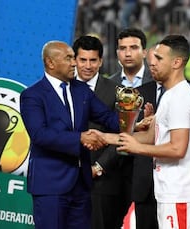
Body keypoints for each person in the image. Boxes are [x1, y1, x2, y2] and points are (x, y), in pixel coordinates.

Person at [106, 35, 190, 228]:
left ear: (176, 62)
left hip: (181, 192)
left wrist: (137, 148)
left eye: (160, 58)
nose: (153, 62)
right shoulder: (169, 96)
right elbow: (150, 137)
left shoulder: (180, 98)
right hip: (169, 191)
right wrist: (106, 137)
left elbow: (178, 149)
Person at [20, 40, 119, 229]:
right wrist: (80, 138)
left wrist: (134, 123)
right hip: (50, 185)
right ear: (50, 63)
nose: (75, 63)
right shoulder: (32, 95)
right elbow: (40, 134)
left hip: (81, 184)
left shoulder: (81, 90)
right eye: (69, 58)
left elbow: (107, 117)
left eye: (73, 58)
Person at [72, 35, 124, 229]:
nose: (87, 65)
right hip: (63, 177)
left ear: (101, 61)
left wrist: (99, 167)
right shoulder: (61, 88)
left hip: (101, 182)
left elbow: (124, 136)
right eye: (82, 60)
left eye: (93, 60)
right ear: (74, 60)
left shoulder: (118, 92)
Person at [109, 27, 154, 226]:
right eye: (122, 48)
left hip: (147, 169)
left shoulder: (158, 82)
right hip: (113, 168)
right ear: (117, 52)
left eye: (134, 47)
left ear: (144, 52)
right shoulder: (108, 85)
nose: (127, 53)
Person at [133, 46, 160, 229]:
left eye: (158, 61)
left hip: (175, 184)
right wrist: (140, 127)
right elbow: (126, 133)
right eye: (150, 64)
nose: (153, 67)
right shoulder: (138, 94)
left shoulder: (187, 92)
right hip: (144, 183)